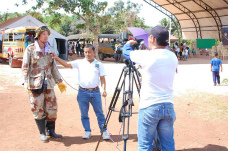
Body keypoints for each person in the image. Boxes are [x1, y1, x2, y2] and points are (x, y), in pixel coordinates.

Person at [123, 25, 178, 151]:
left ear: (152, 38)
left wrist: (128, 44)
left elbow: (126, 53)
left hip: (150, 106)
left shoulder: (147, 56)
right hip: (168, 106)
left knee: (144, 145)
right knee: (168, 145)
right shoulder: (173, 56)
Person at [50, 44, 110, 140]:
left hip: (95, 92)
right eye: (85, 52)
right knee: (84, 114)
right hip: (83, 92)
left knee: (99, 113)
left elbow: (102, 79)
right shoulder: (79, 63)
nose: (87, 54)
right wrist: (56, 58)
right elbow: (66, 64)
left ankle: (104, 131)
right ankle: (87, 131)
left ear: (94, 52)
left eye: (89, 52)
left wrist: (104, 90)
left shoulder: (99, 64)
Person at [21, 26, 64, 143]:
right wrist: (25, 82)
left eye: (47, 34)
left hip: (49, 84)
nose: (46, 36)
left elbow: (53, 67)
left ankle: (51, 131)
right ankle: (42, 133)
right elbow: (25, 67)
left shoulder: (49, 49)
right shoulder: (30, 49)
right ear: (38, 35)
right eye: (44, 34)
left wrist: (59, 82)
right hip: (35, 84)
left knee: (52, 108)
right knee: (37, 108)